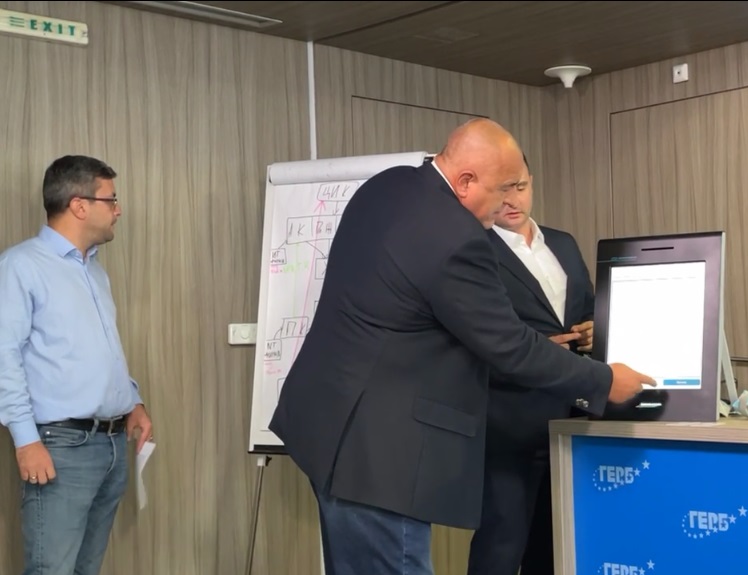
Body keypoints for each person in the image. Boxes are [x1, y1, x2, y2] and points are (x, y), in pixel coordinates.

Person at [269, 118, 653, 575]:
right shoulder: (455, 237)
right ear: (466, 181)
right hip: (377, 454)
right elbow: (509, 346)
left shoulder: (389, 185)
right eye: (502, 189)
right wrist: (605, 380)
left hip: (328, 425)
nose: (508, 203)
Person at [0, 155, 154, 575]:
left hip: (111, 444)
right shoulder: (20, 266)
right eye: (111, 199)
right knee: (52, 570)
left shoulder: (94, 270)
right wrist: (26, 441)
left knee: (87, 569)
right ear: (79, 205)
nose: (118, 210)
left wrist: (132, 402)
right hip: (62, 447)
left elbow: (99, 348)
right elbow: (4, 357)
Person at [466, 155, 594, 575]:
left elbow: (587, 307)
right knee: (501, 546)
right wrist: (532, 349)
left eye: (519, 187)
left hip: (570, 419)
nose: (512, 200)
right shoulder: (473, 248)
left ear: (531, 183)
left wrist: (593, 330)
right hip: (508, 422)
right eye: (502, 190)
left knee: (554, 546)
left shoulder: (562, 242)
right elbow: (471, 335)